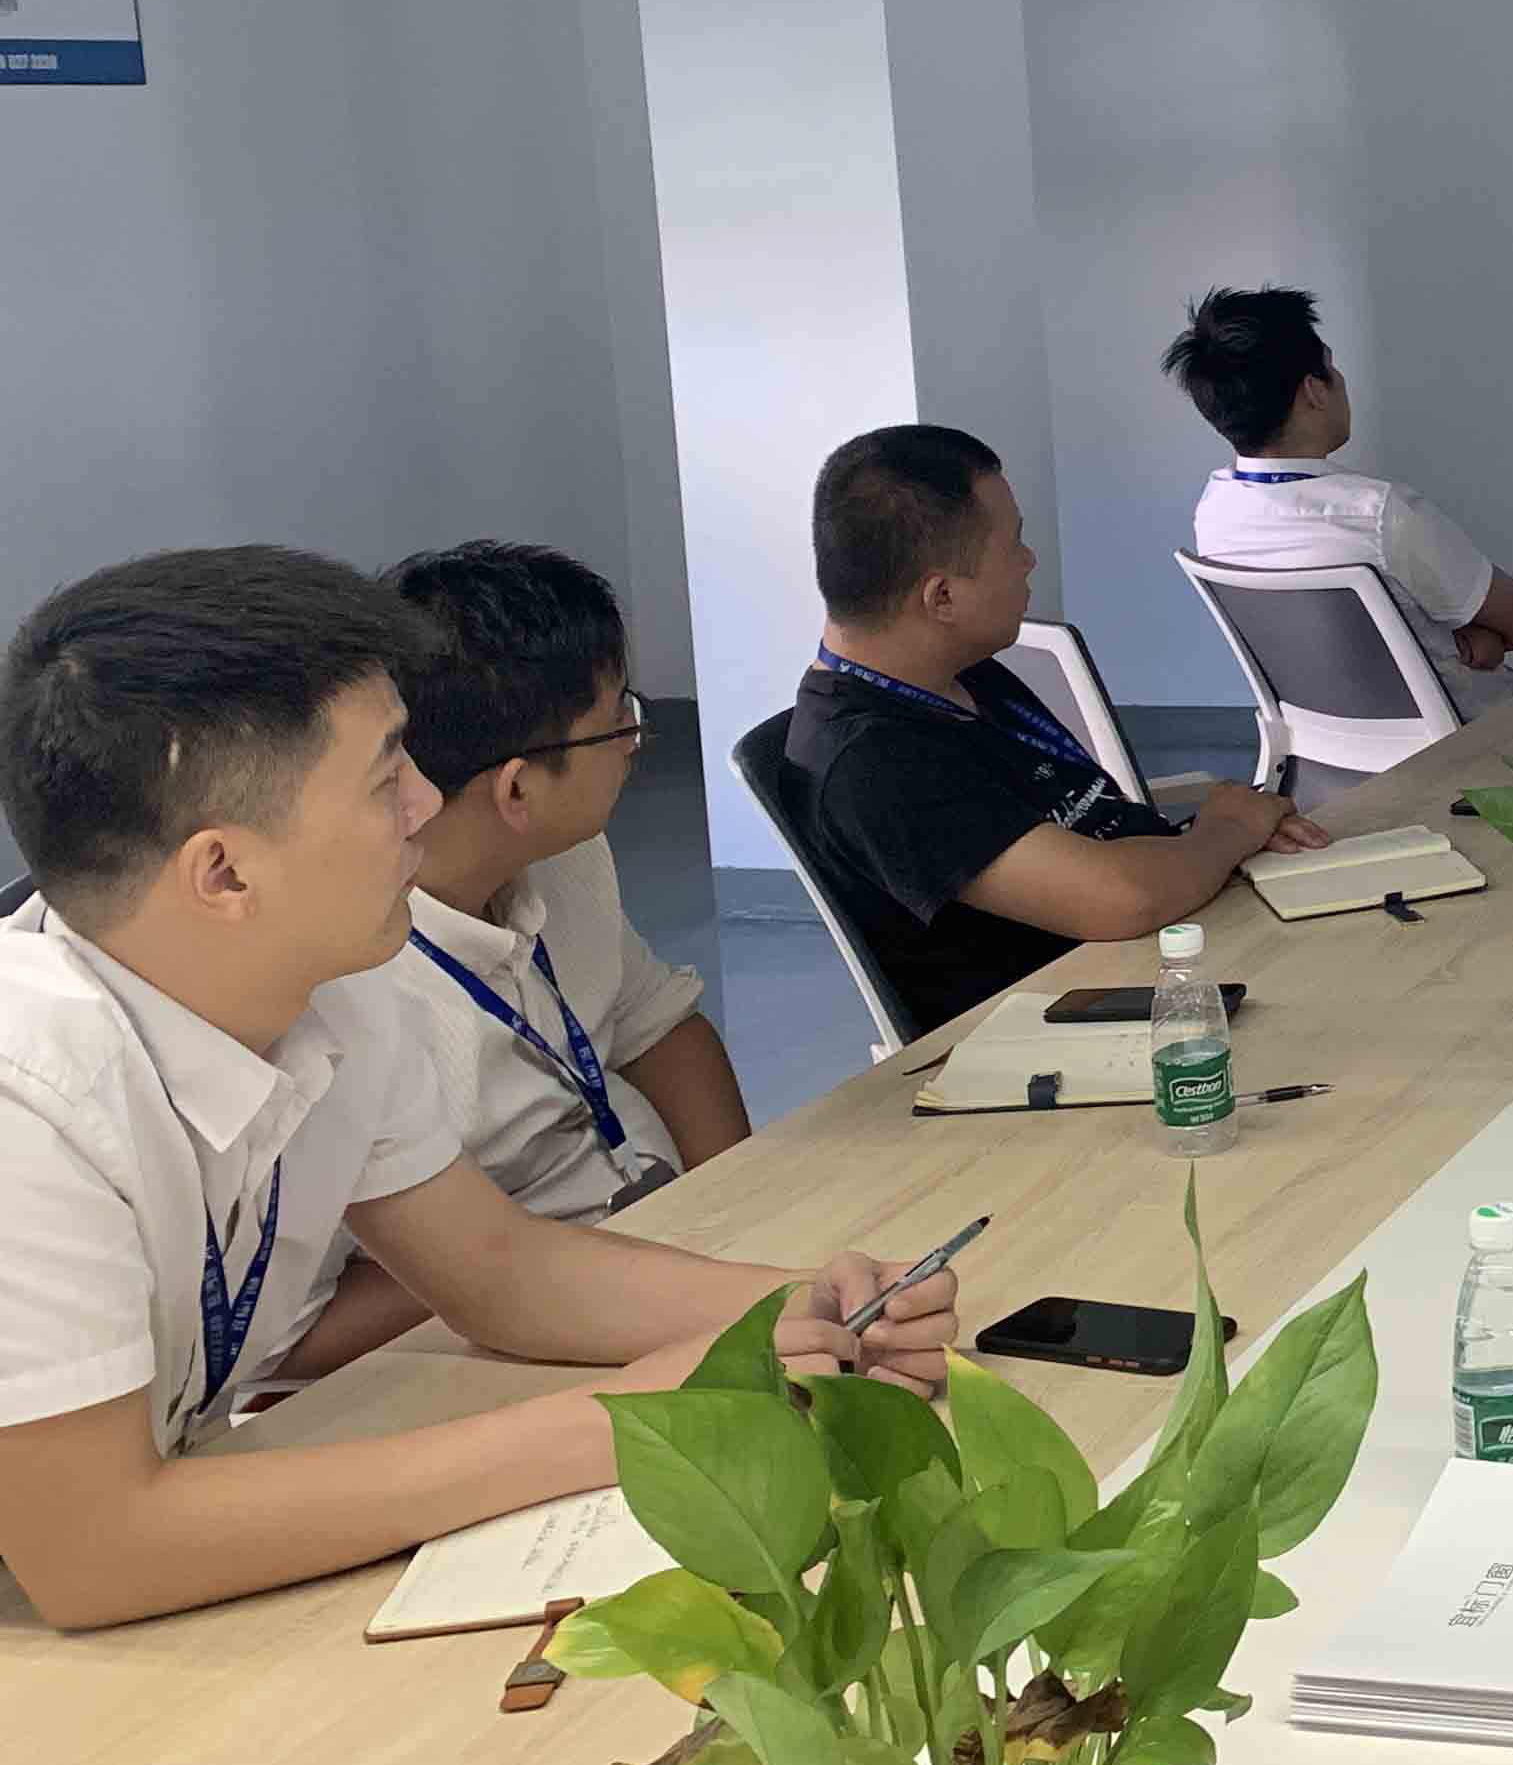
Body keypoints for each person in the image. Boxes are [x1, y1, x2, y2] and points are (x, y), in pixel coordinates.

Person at [0, 548, 958, 1632]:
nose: (427, 802)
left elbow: (499, 1273)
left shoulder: (328, 990)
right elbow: (98, 1553)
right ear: (224, 873)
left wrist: (795, 1308)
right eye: (385, 781)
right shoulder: (28, 1102)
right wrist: (627, 1421)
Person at [259, 543, 759, 1383]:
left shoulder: (563, 855)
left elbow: (659, 1027)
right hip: (474, 1341)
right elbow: (286, 1344)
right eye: (620, 722)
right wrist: (519, 1251)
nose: (637, 741)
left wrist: (739, 1213)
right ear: (517, 790)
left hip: (623, 1262)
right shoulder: (337, 982)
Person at [784, 424, 1320, 1041]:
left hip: (1165, 937)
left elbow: (1098, 833)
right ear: (942, 597)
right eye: (1013, 543)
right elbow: (1121, 898)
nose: (1028, 560)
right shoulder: (871, 764)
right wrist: (1226, 831)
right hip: (1075, 1022)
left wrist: (1219, 842)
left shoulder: (957, 669)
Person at [1164, 287, 1513, 738]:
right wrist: (1486, 638)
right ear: (1313, 391)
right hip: (1470, 742)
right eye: (1331, 367)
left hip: (1322, 751)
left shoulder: (1215, 511)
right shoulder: (1379, 514)